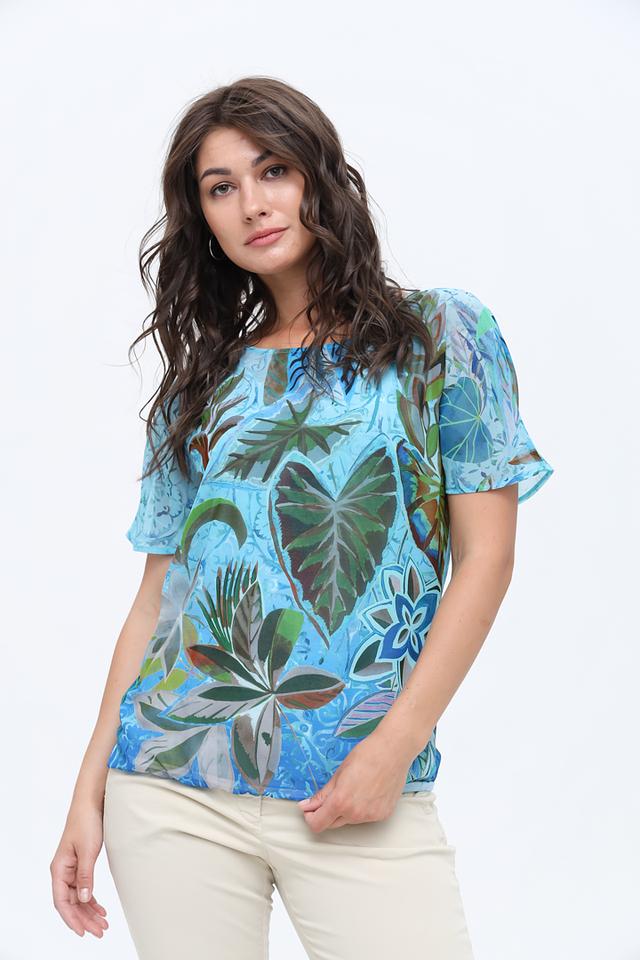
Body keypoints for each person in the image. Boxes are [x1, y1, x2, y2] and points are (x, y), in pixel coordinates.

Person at [49, 75, 554, 959]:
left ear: (321, 175)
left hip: (359, 787)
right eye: (221, 188)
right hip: (169, 789)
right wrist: (87, 789)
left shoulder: (440, 335)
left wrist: (395, 747)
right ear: (203, 219)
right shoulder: (201, 385)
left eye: (273, 170)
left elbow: (487, 560)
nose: (252, 203)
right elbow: (157, 598)